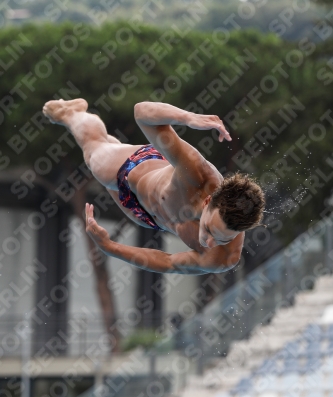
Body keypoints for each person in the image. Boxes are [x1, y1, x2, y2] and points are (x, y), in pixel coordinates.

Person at [42, 99, 265, 275]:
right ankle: (72, 114)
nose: (209, 243)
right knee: (94, 152)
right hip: (135, 171)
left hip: (143, 215)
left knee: (108, 146)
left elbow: (168, 262)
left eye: (223, 239)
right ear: (208, 201)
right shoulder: (198, 174)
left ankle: (100, 135)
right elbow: (142, 113)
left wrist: (110, 247)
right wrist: (188, 118)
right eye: (209, 230)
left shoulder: (225, 256)